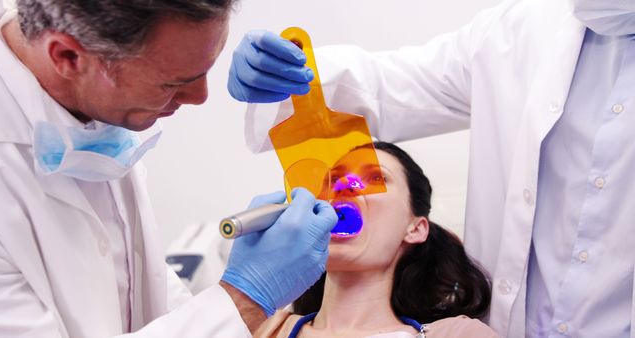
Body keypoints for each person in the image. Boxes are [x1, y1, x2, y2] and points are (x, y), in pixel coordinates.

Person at [227, 0, 635, 337]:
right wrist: (290, 77)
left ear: (417, 226)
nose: (343, 191)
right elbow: (387, 86)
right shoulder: (518, 34)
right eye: (332, 179)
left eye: (372, 177)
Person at [0, 1, 338, 337]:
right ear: (68, 57)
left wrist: (232, 303)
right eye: (172, 83)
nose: (200, 96)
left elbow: (137, 293)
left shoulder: (92, 109)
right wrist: (245, 298)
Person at [254, 141, 497, 338]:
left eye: (377, 178)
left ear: (415, 229)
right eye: (334, 179)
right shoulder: (257, 326)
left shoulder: (458, 335)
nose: (345, 185)